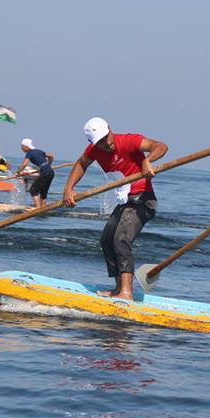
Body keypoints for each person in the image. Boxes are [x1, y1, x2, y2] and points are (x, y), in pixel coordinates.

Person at [63, 118, 168, 299]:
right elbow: (81, 164)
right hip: (124, 202)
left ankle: (127, 292)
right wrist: (68, 189)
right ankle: (119, 288)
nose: (107, 144)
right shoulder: (94, 150)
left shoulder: (129, 141)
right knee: (106, 240)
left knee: (121, 239)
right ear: (92, 143)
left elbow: (160, 146)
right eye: (100, 142)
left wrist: (148, 160)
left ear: (110, 129)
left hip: (143, 200)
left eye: (107, 137)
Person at [17, 138, 55, 209]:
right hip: (51, 172)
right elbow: (51, 156)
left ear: (26, 146)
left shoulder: (29, 153)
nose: (21, 149)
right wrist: (48, 165)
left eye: (22, 147)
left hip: (45, 173)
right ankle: (43, 208)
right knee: (43, 192)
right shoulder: (38, 151)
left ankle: (37, 208)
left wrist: (18, 172)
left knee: (33, 190)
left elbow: (24, 164)